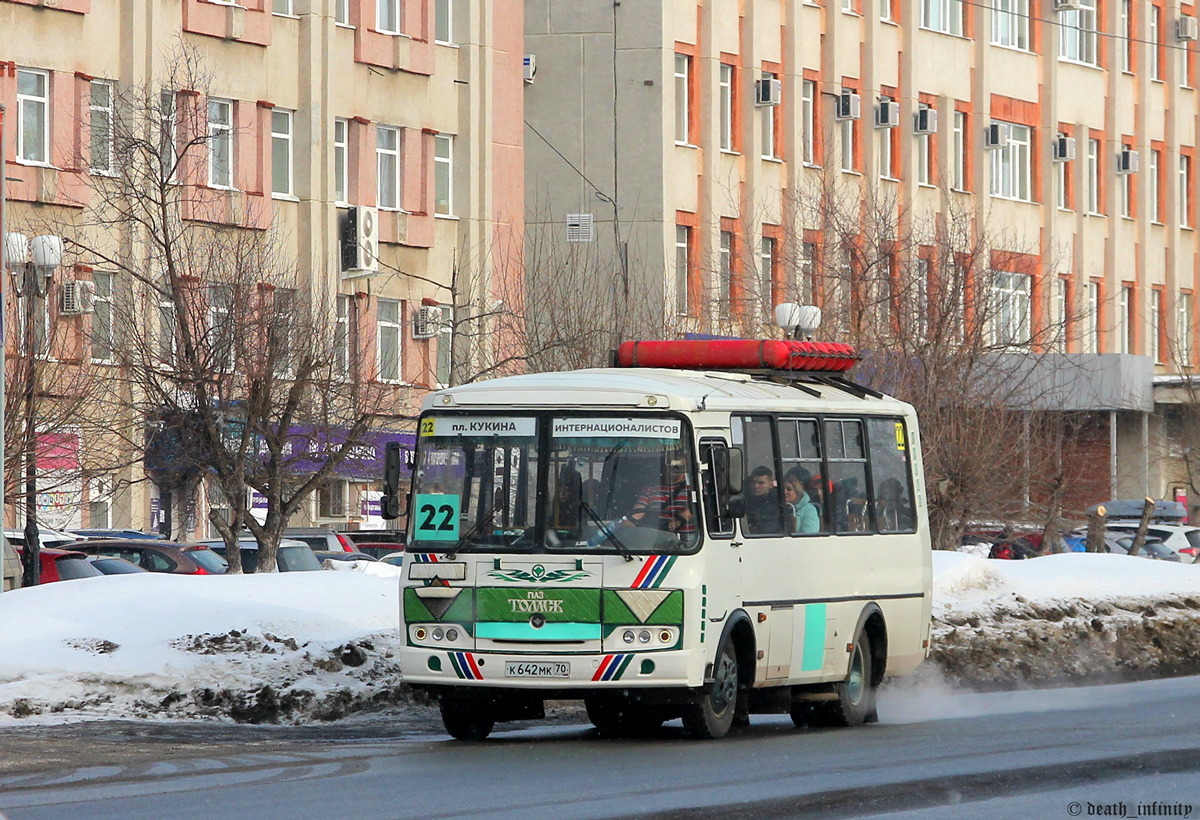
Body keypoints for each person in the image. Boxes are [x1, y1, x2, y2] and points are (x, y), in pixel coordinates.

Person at [623, 456, 695, 535]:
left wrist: (679, 520)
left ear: (685, 468)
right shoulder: (650, 489)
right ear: (663, 467)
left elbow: (699, 508)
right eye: (669, 467)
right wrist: (621, 525)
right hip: (657, 539)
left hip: (689, 542)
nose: (673, 471)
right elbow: (636, 515)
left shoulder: (694, 488)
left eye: (678, 467)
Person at [742, 466, 780, 534]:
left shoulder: (777, 502)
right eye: (753, 482)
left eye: (761, 483)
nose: (755, 486)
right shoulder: (743, 497)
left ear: (771, 484)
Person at [783, 468, 820, 534]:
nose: (785, 492)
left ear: (797, 492)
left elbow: (809, 533)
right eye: (782, 488)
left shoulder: (809, 509)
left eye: (789, 489)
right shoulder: (775, 506)